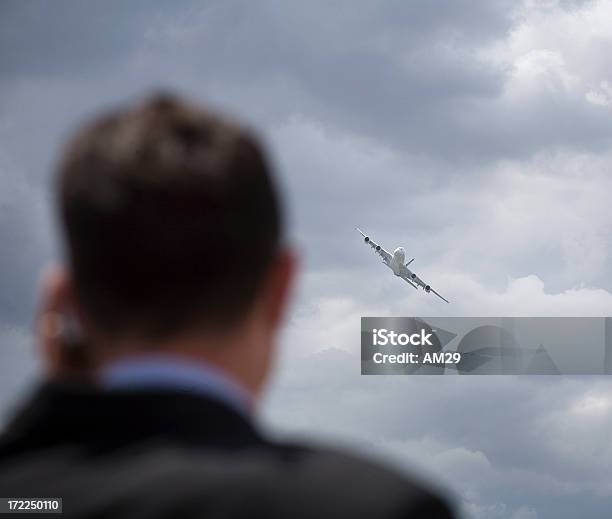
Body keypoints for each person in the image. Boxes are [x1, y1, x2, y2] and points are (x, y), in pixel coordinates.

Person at [0, 93, 455, 518]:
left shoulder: (20, 493)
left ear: (60, 302)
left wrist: (53, 409)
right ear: (280, 291)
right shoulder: (383, 506)